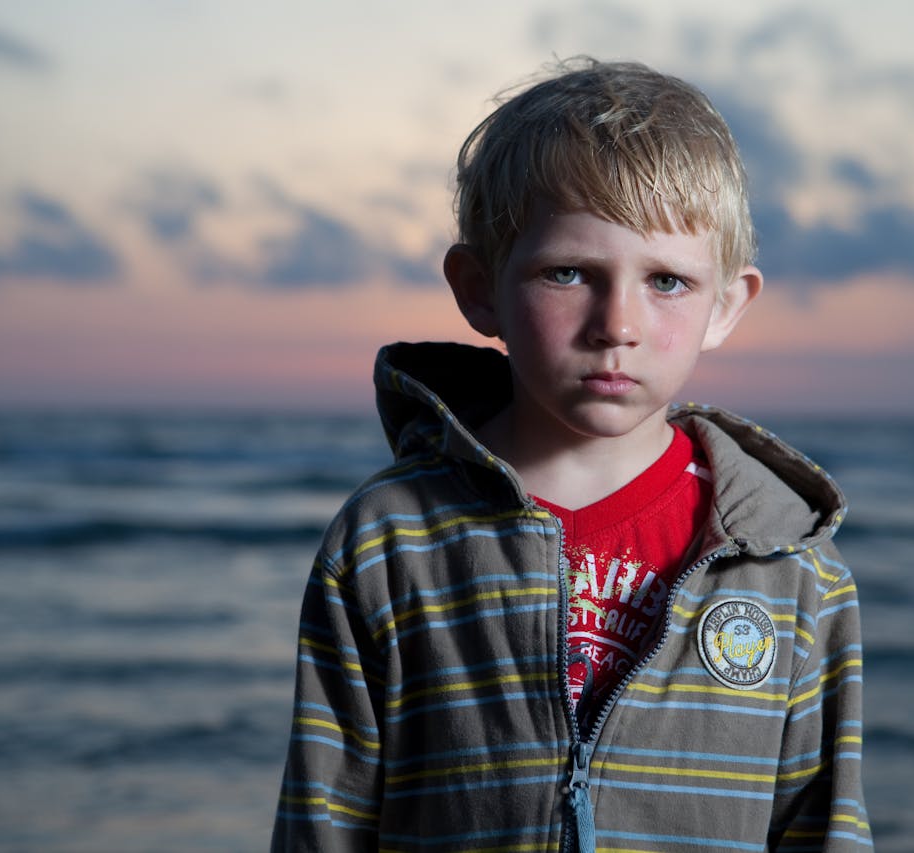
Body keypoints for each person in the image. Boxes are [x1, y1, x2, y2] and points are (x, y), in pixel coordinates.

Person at [271, 57, 869, 852]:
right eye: (568, 273)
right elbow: (324, 823)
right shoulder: (389, 540)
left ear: (726, 305)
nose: (616, 323)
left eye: (667, 281)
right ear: (479, 287)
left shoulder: (791, 569)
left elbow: (824, 828)